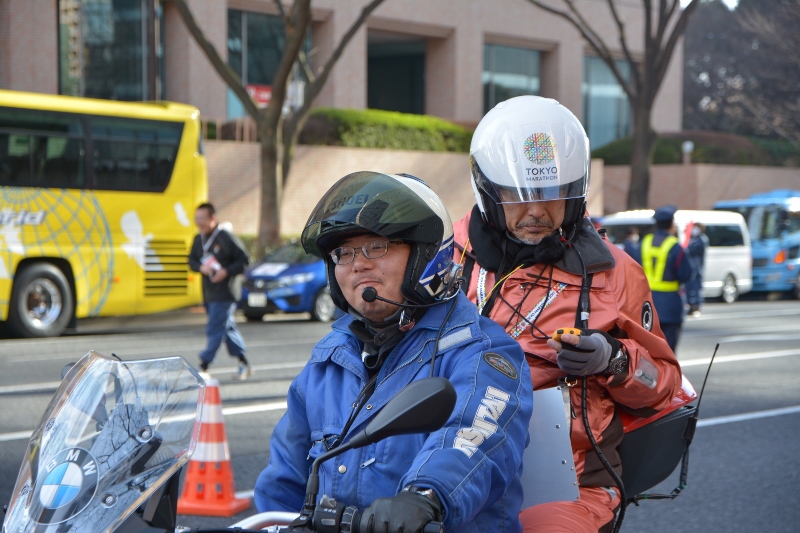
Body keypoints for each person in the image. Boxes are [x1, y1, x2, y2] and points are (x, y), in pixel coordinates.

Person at [453, 95, 683, 533]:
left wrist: (613, 360)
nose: (537, 210)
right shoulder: (449, 262)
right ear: (486, 191)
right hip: (454, 466)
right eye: (517, 195)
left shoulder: (616, 273)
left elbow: (663, 385)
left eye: (553, 194)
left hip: (572, 481)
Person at [254, 171, 533, 533]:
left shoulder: (481, 352)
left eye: (377, 246)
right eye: (343, 252)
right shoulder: (327, 362)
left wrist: (424, 498)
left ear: (425, 254)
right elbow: (282, 484)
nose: (358, 264)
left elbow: (474, 435)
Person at [188, 202, 252, 379]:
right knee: (227, 328)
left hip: (226, 293)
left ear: (212, 218)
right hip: (209, 293)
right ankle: (244, 363)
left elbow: (244, 260)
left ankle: (203, 365)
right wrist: (201, 267)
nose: (199, 222)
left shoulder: (225, 237)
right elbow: (191, 261)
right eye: (196, 219)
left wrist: (226, 271)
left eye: (202, 218)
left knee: (215, 327)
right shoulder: (198, 239)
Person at [636, 205, 698, 351]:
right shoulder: (675, 246)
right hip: (670, 305)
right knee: (668, 351)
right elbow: (687, 274)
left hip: (645, 304)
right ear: (671, 224)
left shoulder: (643, 243)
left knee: (648, 351)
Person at [686, 222, 709, 316]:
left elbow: (692, 249)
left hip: (698, 268)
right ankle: (691, 306)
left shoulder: (702, 240)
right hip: (690, 269)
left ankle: (697, 306)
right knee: (689, 289)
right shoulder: (691, 239)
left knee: (697, 289)